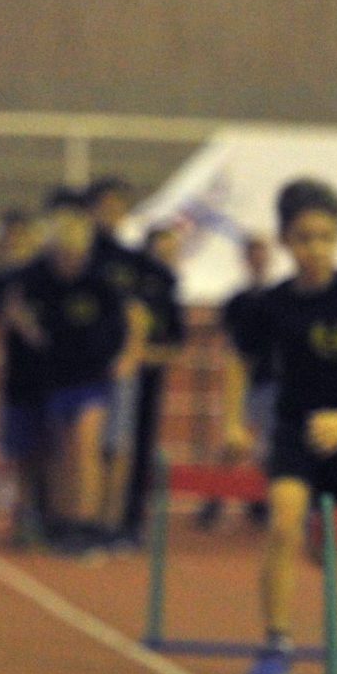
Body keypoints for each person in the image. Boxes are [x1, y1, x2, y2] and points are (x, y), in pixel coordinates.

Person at [222, 179, 337, 674]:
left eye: (325, 237)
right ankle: (277, 641)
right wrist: (235, 422)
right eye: (304, 238)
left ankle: (317, 538)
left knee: (326, 538)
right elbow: (242, 361)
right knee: (283, 521)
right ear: (285, 241)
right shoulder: (272, 305)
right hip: (294, 427)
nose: (315, 249)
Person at [0, 190, 127, 551]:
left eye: (75, 254)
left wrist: (112, 358)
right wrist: (28, 328)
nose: (69, 261)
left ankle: (86, 522)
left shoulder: (99, 284)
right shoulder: (39, 280)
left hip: (91, 380)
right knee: (60, 452)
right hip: (55, 380)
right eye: (62, 254)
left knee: (85, 449)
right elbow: (11, 302)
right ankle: (60, 520)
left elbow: (119, 325)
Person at [85, 176, 153, 536]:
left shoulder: (130, 260)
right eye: (104, 206)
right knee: (84, 446)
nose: (111, 213)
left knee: (118, 446)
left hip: (120, 365)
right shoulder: (79, 255)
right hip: (81, 366)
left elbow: (138, 314)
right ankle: (83, 517)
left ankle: (111, 522)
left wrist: (130, 356)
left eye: (118, 206)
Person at [0, 205, 48, 543]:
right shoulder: (2, 281)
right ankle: (24, 516)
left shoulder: (48, 275)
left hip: (55, 376)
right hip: (20, 379)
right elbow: (1, 313)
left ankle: (47, 515)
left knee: (50, 451)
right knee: (20, 450)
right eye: (11, 239)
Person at [202, 232, 274, 528]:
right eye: (253, 254)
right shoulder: (237, 301)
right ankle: (214, 499)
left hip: (271, 380)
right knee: (232, 443)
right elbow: (228, 341)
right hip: (244, 378)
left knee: (269, 446)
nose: (258, 260)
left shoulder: (278, 298)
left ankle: (261, 502)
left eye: (262, 254)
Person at [120, 224, 186, 542]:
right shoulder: (127, 289)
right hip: (115, 383)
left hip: (148, 383)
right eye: (161, 251)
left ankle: (133, 517)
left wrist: (144, 354)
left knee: (142, 449)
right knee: (115, 448)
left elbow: (176, 342)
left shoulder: (169, 293)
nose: (167, 258)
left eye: (172, 252)